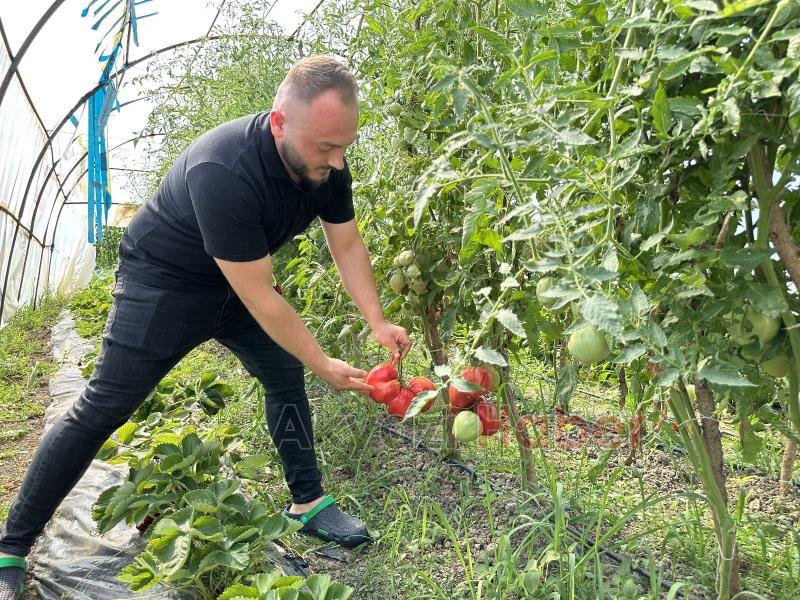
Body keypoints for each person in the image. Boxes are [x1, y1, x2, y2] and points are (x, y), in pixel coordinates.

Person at [0, 55, 411, 598]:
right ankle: (12, 545)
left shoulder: (326, 164)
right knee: (104, 405)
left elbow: (347, 242)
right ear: (280, 121)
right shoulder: (224, 168)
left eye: (343, 147)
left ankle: (308, 501)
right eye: (325, 147)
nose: (336, 162)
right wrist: (324, 362)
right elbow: (262, 296)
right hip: (162, 285)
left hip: (233, 285)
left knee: (282, 373)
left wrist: (377, 320)